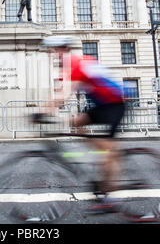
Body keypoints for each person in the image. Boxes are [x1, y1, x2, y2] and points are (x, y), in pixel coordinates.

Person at [41, 35, 126, 214]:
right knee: (76, 122)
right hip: (102, 104)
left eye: (53, 50)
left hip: (115, 103)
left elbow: (63, 94)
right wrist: (48, 108)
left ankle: (111, 196)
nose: (51, 54)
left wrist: (42, 112)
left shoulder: (74, 62)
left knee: (108, 150)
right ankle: (98, 153)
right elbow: (61, 92)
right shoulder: (68, 65)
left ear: (61, 50)